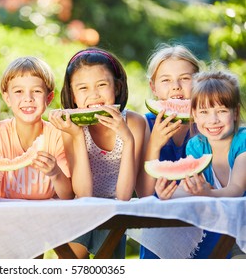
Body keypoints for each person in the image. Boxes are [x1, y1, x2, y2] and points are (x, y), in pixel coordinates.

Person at [49, 47, 146, 258]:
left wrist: (127, 139)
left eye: (102, 85)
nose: (94, 95)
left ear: (117, 87)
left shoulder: (135, 123)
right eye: (83, 88)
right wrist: (76, 136)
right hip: (80, 212)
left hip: (115, 213)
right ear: (73, 96)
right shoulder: (71, 128)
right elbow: (83, 194)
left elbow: (123, 196)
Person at [155, 69, 246, 258]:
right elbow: (189, 188)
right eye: (204, 112)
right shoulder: (196, 147)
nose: (213, 120)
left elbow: (236, 189)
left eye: (221, 111)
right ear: (194, 115)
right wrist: (168, 195)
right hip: (225, 233)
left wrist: (207, 193)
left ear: (235, 112)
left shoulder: (243, 141)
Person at [0, 56, 81, 201]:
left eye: (36, 91)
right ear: (7, 98)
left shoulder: (57, 136)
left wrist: (56, 173)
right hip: (8, 213)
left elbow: (68, 195)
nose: (28, 98)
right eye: (18, 92)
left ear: (48, 98)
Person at [133, 44, 202, 259]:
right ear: (153, 87)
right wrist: (154, 144)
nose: (176, 87)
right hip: (159, 230)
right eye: (166, 80)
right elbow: (144, 193)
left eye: (185, 78)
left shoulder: (210, 123)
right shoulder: (145, 124)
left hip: (204, 228)